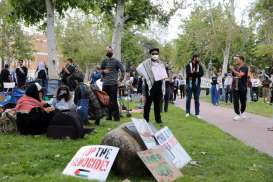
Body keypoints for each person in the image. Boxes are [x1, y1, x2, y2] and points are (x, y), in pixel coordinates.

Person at [137, 48, 167, 124]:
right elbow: (138, 69)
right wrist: (145, 76)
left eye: (156, 53)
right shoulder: (146, 63)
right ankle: (145, 119)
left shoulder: (161, 63)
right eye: (153, 54)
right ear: (151, 55)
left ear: (158, 54)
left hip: (158, 84)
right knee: (148, 103)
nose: (155, 55)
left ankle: (158, 120)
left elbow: (164, 74)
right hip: (150, 85)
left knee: (157, 103)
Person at [100, 47, 125, 121]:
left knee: (113, 100)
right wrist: (103, 72)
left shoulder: (116, 61)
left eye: (110, 50)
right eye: (107, 50)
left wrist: (120, 80)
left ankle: (116, 117)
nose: (108, 51)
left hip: (113, 83)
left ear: (112, 52)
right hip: (105, 83)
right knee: (106, 100)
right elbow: (101, 71)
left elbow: (123, 71)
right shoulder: (104, 61)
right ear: (106, 52)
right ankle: (109, 116)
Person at [230, 55, 249, 121]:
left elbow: (240, 75)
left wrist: (233, 70)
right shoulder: (235, 67)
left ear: (241, 60)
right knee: (235, 101)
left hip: (242, 87)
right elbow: (233, 75)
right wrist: (233, 70)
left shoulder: (245, 67)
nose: (235, 61)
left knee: (243, 101)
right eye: (235, 59)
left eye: (237, 59)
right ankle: (237, 114)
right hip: (235, 86)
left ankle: (242, 112)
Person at [185, 54, 204, 118]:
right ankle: (187, 112)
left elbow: (201, 74)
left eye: (198, 58)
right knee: (188, 98)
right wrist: (193, 73)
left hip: (197, 84)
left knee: (197, 99)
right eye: (197, 58)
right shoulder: (188, 65)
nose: (198, 59)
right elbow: (188, 74)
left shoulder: (199, 66)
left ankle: (197, 113)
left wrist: (194, 73)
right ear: (194, 58)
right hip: (189, 84)